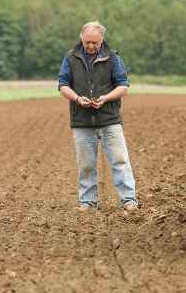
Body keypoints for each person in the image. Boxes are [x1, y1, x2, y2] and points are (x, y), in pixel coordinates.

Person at [58, 21, 138, 212]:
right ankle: (87, 202)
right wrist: (77, 99)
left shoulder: (113, 58)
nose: (91, 46)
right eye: (87, 42)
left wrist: (106, 98)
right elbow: (62, 85)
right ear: (81, 38)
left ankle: (128, 199)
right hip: (82, 120)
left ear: (102, 40)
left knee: (120, 161)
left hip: (109, 119)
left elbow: (123, 86)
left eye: (95, 42)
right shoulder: (71, 58)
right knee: (86, 165)